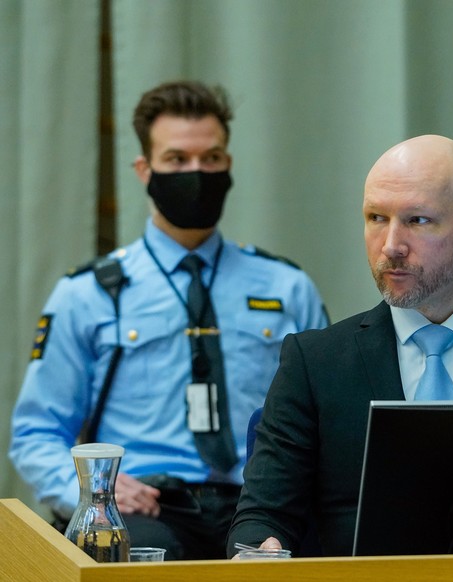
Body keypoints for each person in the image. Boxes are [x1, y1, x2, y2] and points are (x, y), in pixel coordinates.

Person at [227, 134, 453, 557]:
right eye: (375, 218)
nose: (390, 246)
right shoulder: (315, 363)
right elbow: (264, 514)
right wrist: (263, 548)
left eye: (417, 220)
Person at [9, 80, 329, 560]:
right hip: (146, 509)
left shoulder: (286, 287)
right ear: (144, 169)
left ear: (228, 164)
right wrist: (94, 495)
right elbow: (36, 434)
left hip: (260, 502)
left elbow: (326, 418)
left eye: (212, 158)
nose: (197, 172)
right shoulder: (88, 294)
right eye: (177, 160)